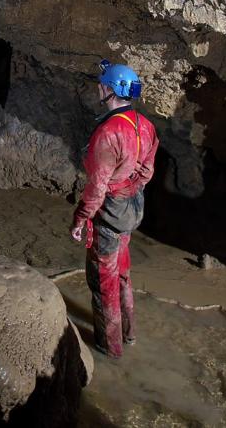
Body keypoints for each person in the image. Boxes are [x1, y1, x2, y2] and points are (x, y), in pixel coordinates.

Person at [71, 60, 158, 358]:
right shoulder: (145, 126)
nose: (99, 87)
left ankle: (110, 350)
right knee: (122, 274)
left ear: (108, 91)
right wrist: (127, 189)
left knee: (103, 282)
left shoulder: (108, 133)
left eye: (101, 84)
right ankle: (129, 334)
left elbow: (96, 189)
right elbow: (146, 173)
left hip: (109, 216)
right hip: (131, 211)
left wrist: (80, 219)